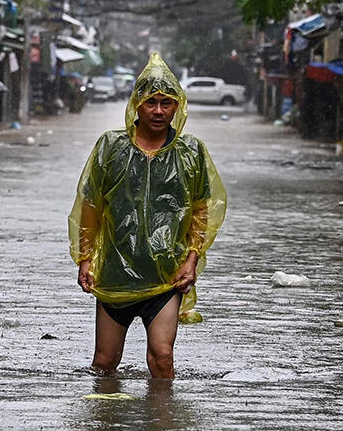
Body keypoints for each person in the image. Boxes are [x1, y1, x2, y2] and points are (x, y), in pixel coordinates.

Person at [69, 53, 227, 379]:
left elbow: (201, 211)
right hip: (115, 273)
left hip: (166, 275)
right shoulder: (110, 147)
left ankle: (163, 419)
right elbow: (90, 205)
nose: (158, 111)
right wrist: (86, 258)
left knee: (162, 357)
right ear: (136, 105)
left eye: (166, 103)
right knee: (104, 363)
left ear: (177, 107)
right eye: (151, 102)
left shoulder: (191, 152)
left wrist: (192, 259)